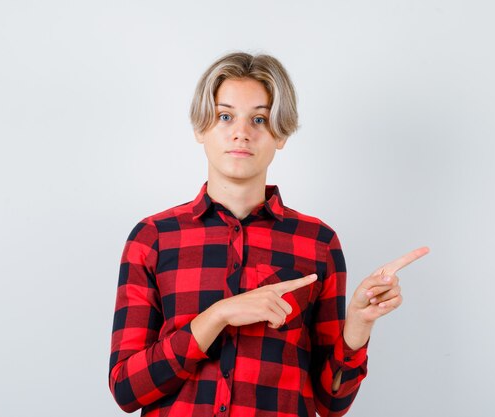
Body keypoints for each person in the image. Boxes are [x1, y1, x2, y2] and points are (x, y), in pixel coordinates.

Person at [108, 51, 429, 417]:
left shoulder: (318, 243)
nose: (242, 132)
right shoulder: (153, 238)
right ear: (201, 129)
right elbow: (126, 390)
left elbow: (331, 403)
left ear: (281, 134)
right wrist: (217, 316)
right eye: (225, 116)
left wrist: (358, 325)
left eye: (259, 119)